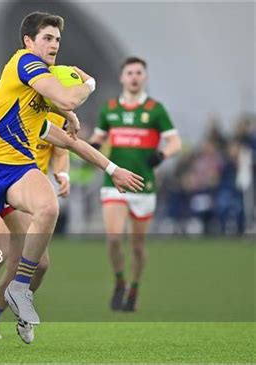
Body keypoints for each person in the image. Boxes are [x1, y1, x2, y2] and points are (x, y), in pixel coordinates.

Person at [0, 11, 144, 354]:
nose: (54, 44)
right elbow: (69, 98)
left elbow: (69, 139)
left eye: (57, 40)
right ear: (29, 42)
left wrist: (111, 168)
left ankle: (18, 289)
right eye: (47, 38)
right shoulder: (24, 63)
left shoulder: (36, 96)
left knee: (48, 208)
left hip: (19, 169)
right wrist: (87, 85)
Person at [0, 78, 71, 344]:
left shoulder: (38, 113)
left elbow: (64, 145)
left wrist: (62, 172)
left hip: (28, 194)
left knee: (39, 265)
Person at [89, 56, 182, 312]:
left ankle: (134, 288)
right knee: (114, 238)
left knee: (138, 245)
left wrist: (162, 155)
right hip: (115, 183)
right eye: (129, 72)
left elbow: (175, 142)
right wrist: (92, 147)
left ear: (145, 77)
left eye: (139, 73)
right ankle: (120, 281)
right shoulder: (109, 108)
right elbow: (97, 137)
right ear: (122, 77)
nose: (134, 77)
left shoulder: (155, 109)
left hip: (143, 185)